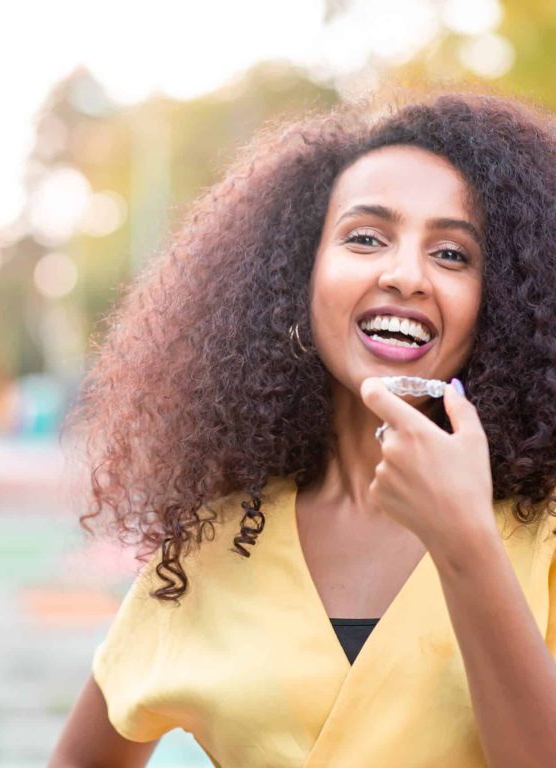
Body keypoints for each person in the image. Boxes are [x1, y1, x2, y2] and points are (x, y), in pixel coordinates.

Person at [50, 89, 556, 767]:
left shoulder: (545, 531)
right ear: (297, 277)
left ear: (502, 305)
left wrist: (465, 539)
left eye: (454, 254)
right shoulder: (213, 545)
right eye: (365, 238)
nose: (405, 275)